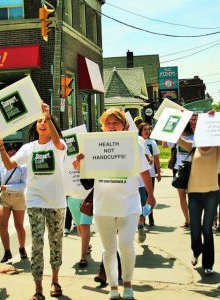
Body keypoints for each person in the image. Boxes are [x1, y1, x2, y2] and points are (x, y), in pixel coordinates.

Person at [73, 108, 156, 300]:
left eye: (115, 123)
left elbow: (144, 171)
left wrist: (151, 196)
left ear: (123, 125)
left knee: (126, 246)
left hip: (129, 205)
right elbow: (87, 182)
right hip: (103, 206)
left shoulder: (134, 144)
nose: (111, 127)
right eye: (107, 123)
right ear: (102, 126)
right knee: (108, 249)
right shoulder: (93, 145)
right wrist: (80, 167)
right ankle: (112, 286)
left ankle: (127, 283)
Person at [0, 103, 67, 300]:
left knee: (55, 242)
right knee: (37, 244)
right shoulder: (28, 148)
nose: (42, 124)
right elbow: (9, 164)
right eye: (39, 121)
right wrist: (0, 144)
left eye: (45, 121)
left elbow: (57, 140)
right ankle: (38, 287)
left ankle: (55, 280)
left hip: (57, 202)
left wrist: (48, 116)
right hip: (35, 201)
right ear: (34, 127)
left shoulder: (59, 145)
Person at [177, 111, 220, 276]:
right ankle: (196, 251)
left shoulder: (218, 148)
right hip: (195, 195)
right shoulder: (193, 146)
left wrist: (215, 117)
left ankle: (208, 264)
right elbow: (175, 137)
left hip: (212, 193)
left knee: (207, 230)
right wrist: (180, 117)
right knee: (195, 230)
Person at [0, 143, 28, 263]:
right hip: (5, 197)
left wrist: (8, 187)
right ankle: (7, 251)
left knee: (19, 225)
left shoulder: (23, 166)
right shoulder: (2, 165)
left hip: (18, 197)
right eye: (9, 152)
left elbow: (23, 185)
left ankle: (22, 248)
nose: (11, 154)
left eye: (14, 152)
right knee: (3, 225)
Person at [162, 113, 197, 228]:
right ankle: (187, 220)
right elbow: (164, 145)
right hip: (179, 169)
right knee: (182, 195)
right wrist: (166, 129)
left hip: (193, 168)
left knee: (193, 196)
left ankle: (195, 218)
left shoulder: (194, 138)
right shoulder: (176, 138)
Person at [138, 122, 161, 226]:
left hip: (150, 174)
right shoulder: (138, 141)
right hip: (139, 175)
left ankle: (150, 217)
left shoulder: (152, 142)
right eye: (144, 129)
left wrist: (158, 172)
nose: (147, 131)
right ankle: (142, 219)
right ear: (140, 131)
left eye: (148, 129)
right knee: (142, 198)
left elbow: (155, 157)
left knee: (150, 196)